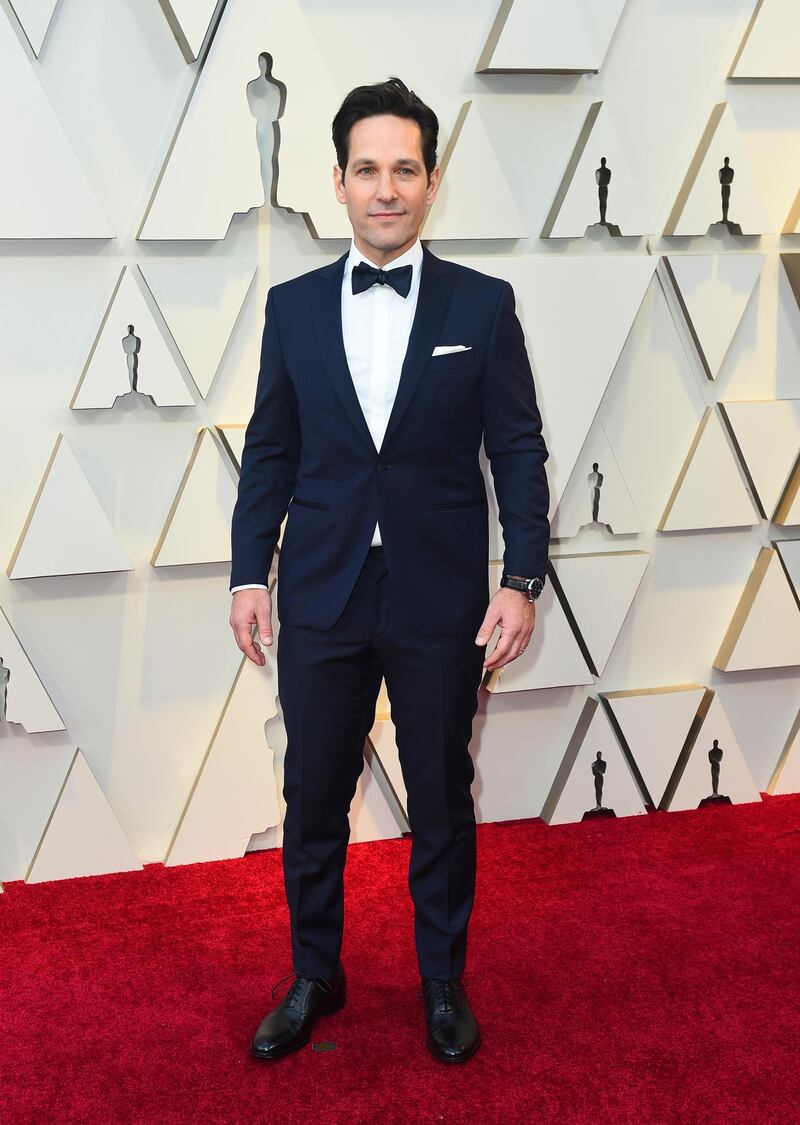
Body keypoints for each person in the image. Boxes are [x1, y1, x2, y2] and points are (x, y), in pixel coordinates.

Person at [229, 76, 550, 1064]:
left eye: (402, 169)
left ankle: (441, 982)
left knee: (440, 794)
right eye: (365, 169)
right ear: (337, 181)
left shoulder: (482, 305)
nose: (384, 188)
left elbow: (519, 448)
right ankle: (313, 975)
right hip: (320, 594)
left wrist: (520, 578)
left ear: (430, 180)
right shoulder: (288, 310)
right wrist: (249, 575)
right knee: (311, 793)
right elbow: (271, 452)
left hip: (438, 598)